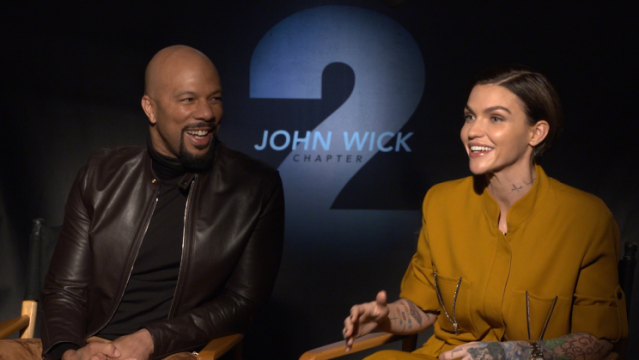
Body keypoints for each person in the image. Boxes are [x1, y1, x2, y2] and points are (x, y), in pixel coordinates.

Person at [343, 66, 628, 360]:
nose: (472, 131)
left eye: (495, 118)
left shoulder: (586, 217)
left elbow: (600, 339)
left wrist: (506, 354)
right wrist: (385, 317)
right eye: (469, 116)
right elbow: (424, 305)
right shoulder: (441, 202)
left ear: (536, 132)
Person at [38, 45, 285, 360]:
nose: (207, 113)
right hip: (88, 345)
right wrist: (67, 352)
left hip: (174, 351)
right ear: (150, 108)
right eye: (188, 99)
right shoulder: (99, 174)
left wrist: (151, 340)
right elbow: (65, 290)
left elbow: (243, 302)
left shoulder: (256, 186)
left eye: (215, 98)